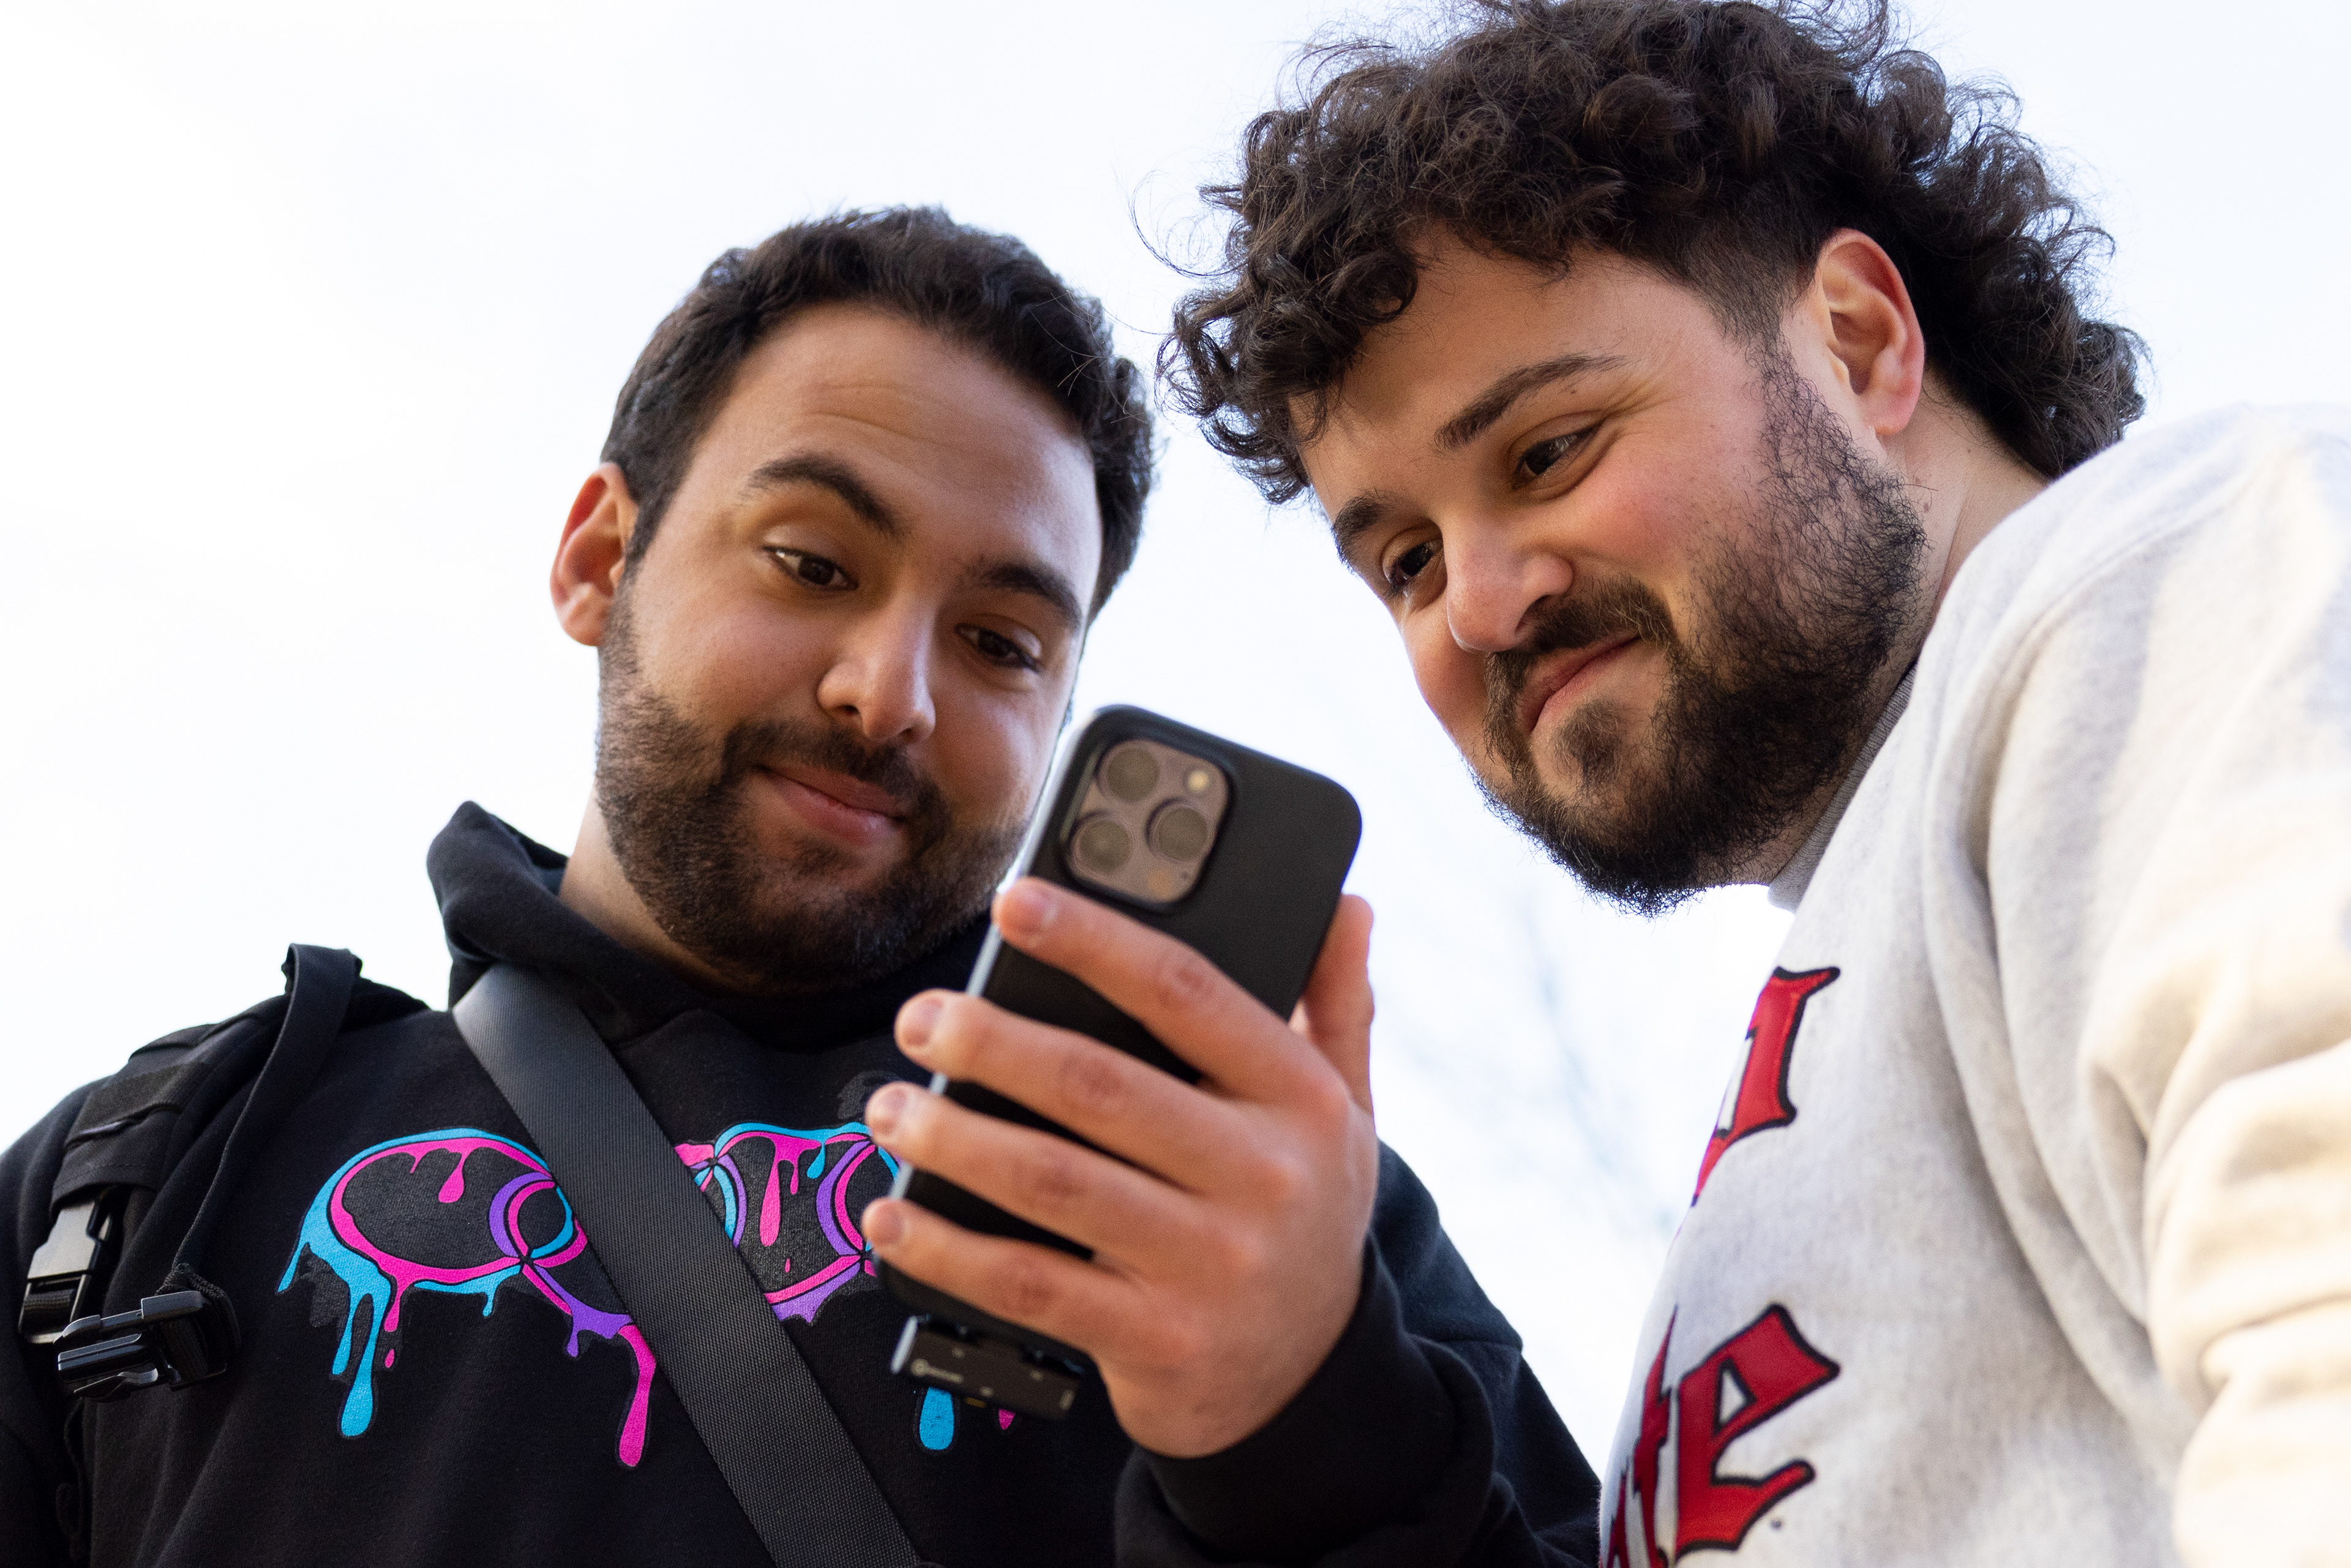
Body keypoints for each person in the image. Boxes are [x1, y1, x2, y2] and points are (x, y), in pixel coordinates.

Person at [0, 208, 1599, 1566]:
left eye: (1001, 643)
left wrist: (1311, 1432)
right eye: (814, 561)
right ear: (597, 559)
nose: (889, 691)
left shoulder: (1238, 1194)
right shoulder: (142, 1171)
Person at [1061, 0, 2346, 1561]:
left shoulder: (2178, 575)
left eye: (1548, 452)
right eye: (1403, 557)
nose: (1478, 602)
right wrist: (1290, 1412)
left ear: (1859, 341)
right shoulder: (1884, 951)